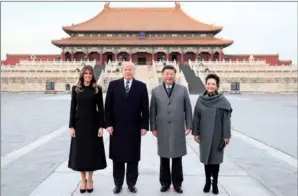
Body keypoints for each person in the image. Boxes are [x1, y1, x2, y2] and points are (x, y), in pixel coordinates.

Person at [105, 62, 149, 194]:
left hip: (134, 127)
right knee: (117, 157)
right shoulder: (113, 85)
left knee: (133, 157)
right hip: (116, 128)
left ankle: (131, 183)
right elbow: (107, 107)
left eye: (130, 69)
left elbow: (145, 108)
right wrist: (108, 124)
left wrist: (144, 126)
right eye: (125, 69)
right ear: (122, 71)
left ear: (133, 71)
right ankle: (118, 184)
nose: (128, 72)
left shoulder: (141, 86)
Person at [150, 65, 192, 194]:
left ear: (175, 75)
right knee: (164, 157)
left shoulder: (182, 90)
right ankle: (165, 183)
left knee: (177, 157)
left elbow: (188, 109)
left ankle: (177, 184)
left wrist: (189, 125)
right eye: (167, 74)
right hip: (162, 128)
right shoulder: (156, 91)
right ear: (162, 75)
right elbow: (153, 110)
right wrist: (153, 127)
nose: (169, 76)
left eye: (171, 74)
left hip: (177, 127)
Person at [68, 65, 107, 193]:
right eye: (86, 73)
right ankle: (82, 179)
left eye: (90, 73)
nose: (88, 75)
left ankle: (90, 179)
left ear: (92, 76)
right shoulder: (76, 89)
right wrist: (71, 126)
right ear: (82, 75)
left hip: (93, 125)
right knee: (80, 153)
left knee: (91, 153)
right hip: (79, 125)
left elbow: (101, 109)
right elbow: (73, 108)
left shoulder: (97, 89)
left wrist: (101, 126)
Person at [192, 73, 232, 195]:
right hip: (204, 134)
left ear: (217, 86)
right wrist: (196, 133)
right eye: (208, 83)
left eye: (213, 84)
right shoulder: (200, 99)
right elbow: (196, 117)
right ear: (206, 85)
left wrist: (226, 136)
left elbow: (226, 119)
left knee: (215, 160)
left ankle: (215, 183)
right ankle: (207, 182)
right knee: (207, 160)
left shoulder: (222, 100)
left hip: (217, 134)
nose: (210, 86)